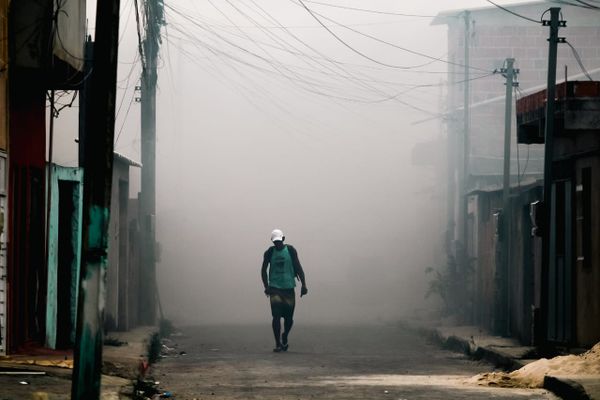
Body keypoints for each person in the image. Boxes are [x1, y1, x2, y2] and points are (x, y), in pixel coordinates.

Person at [261, 228, 307, 352]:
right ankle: (277, 344)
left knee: (289, 319)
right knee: (276, 316)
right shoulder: (269, 253)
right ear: (272, 242)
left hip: (289, 288)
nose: (277, 244)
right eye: (275, 242)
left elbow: (298, 267)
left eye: (279, 241)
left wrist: (304, 284)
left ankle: (285, 335)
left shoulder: (291, 251)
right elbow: (263, 270)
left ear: (283, 239)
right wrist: (266, 286)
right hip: (275, 288)